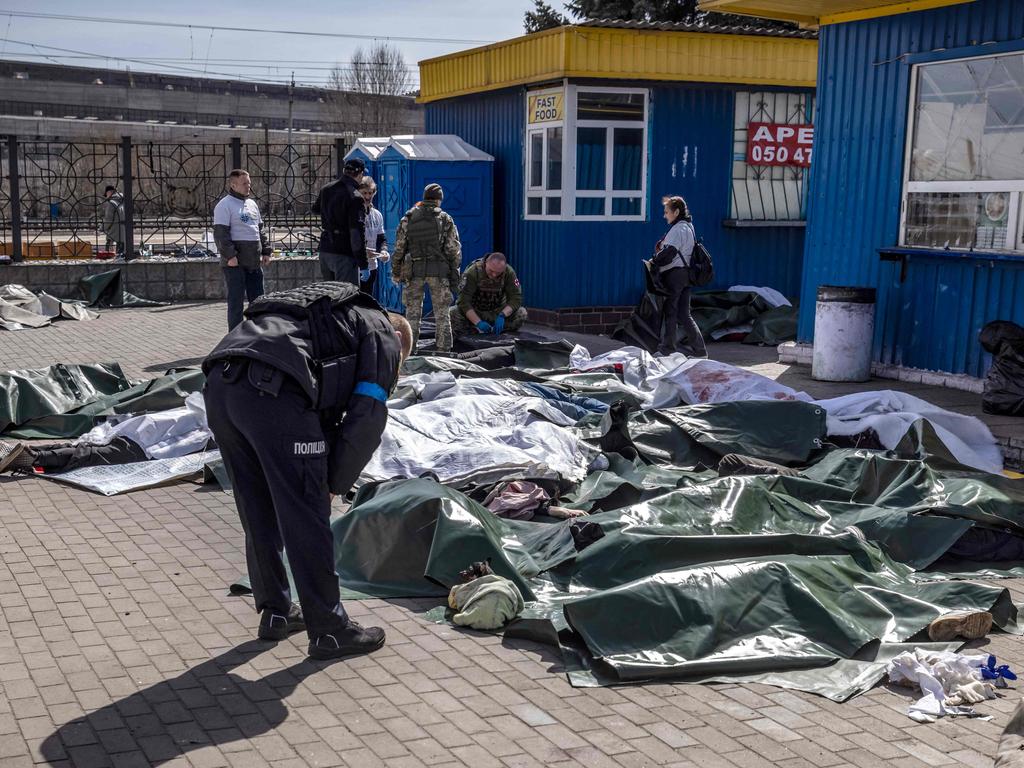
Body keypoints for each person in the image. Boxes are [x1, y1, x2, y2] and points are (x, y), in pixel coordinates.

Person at [202, 281, 413, 660]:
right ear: (398, 337)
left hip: (221, 384)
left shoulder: (328, 311)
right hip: (275, 393)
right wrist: (332, 482)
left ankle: (275, 612)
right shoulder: (383, 333)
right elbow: (366, 416)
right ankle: (330, 630)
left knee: (257, 504)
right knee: (306, 513)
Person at [0, 393, 211, 475]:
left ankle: (29, 451)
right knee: (88, 455)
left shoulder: (194, 410)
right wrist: (155, 455)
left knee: (83, 448)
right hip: (142, 445)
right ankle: (35, 457)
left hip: (132, 431)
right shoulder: (207, 428)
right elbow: (180, 444)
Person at [391, 184, 461, 353]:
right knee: (442, 314)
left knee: (412, 315)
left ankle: (409, 350)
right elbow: (453, 249)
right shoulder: (445, 219)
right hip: (439, 272)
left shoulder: (408, 218)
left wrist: (396, 271)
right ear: (439, 199)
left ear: (424, 197)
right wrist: (454, 273)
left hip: (414, 272)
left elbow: (399, 248)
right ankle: (444, 352)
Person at [213, 169, 272, 330]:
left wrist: (266, 251)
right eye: (244, 183)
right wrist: (230, 256)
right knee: (236, 303)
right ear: (233, 185)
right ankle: (235, 337)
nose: (248, 186)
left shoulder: (252, 204)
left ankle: (258, 334)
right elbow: (220, 234)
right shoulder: (224, 205)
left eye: (249, 183)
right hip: (235, 264)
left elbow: (260, 230)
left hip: (254, 261)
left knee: (258, 301)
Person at [650, 195, 707, 358]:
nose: (664, 215)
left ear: (676, 212)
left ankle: (667, 349)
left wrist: (654, 260)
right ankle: (700, 352)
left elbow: (669, 253)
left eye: (667, 212)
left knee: (671, 311)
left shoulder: (679, 229)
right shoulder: (688, 227)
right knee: (684, 314)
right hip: (685, 275)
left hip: (674, 275)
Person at [312, 158, 367, 285]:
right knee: (346, 298)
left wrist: (331, 211)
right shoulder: (355, 197)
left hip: (325, 250)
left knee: (330, 297)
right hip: (343, 254)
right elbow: (356, 234)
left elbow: (315, 209)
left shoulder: (326, 189)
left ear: (344, 171)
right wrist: (363, 264)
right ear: (360, 174)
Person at [450, 252, 528, 339]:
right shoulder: (473, 272)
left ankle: (498, 331)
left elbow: (516, 298)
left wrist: (503, 315)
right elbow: (463, 301)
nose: (494, 275)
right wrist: (478, 322)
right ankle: (471, 332)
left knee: (521, 313)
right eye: (491, 271)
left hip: (497, 312)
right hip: (476, 311)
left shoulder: (509, 272)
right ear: (485, 263)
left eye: (498, 273)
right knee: (452, 313)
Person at [358, 176, 388, 298]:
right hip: (357, 267)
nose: (367, 197)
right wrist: (363, 252)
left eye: (370, 193)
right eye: (364, 193)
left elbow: (381, 238)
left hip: (372, 265)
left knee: (368, 300)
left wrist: (384, 251)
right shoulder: (355, 213)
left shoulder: (377, 215)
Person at [101, 185, 126, 257]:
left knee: (109, 256)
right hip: (123, 233)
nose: (106, 197)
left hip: (113, 233)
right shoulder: (123, 201)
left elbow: (108, 219)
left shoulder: (111, 203)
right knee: (121, 257)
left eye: (106, 194)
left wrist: (101, 229)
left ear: (109, 192)